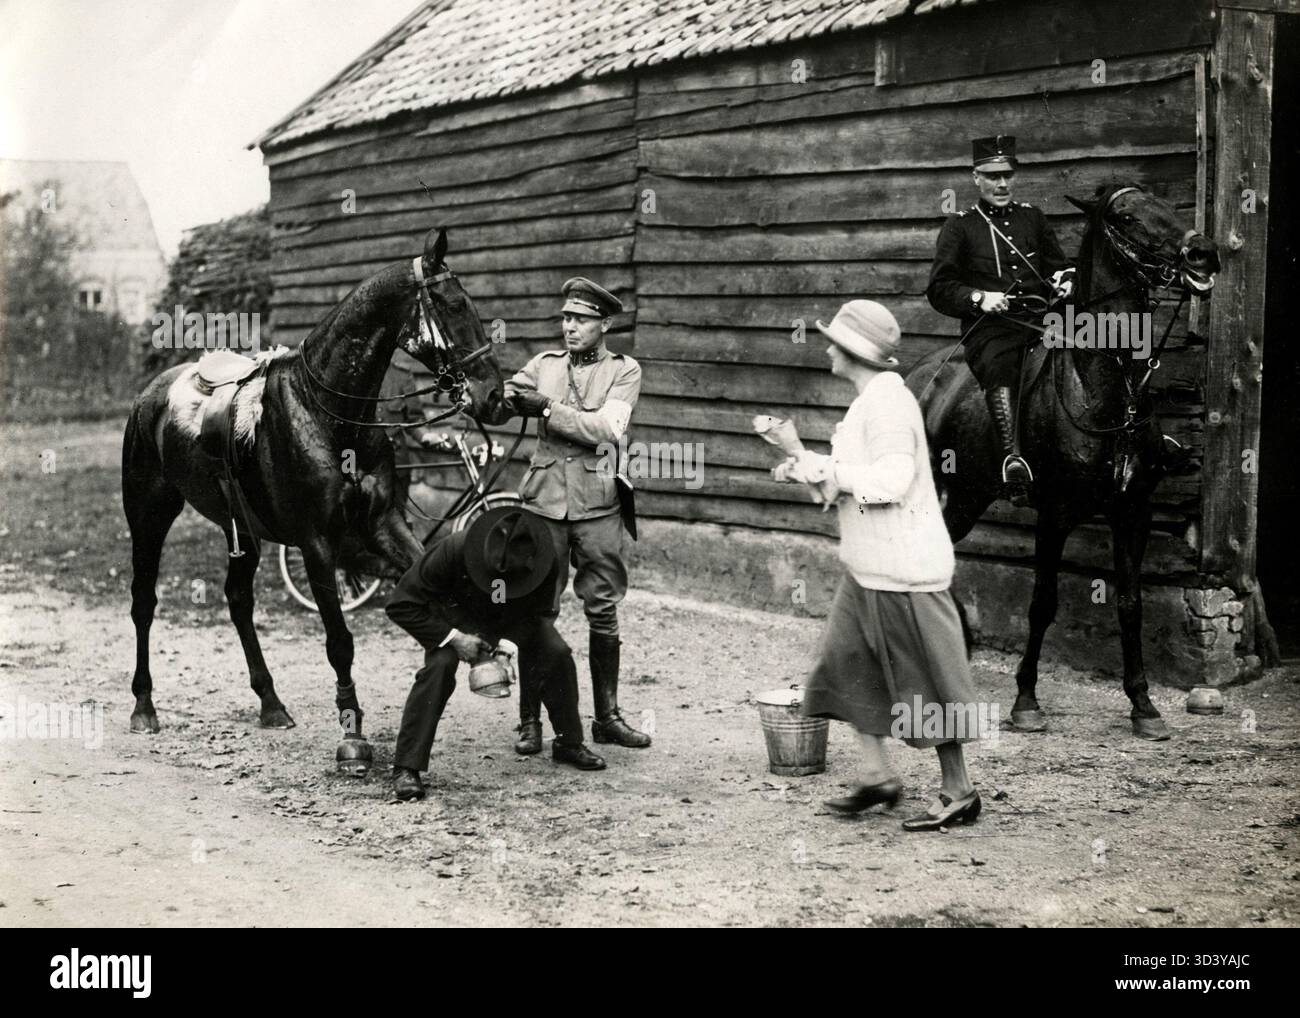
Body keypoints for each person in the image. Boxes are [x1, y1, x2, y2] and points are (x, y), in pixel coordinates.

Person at [774, 300, 984, 832]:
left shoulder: (888, 403)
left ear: (852, 351)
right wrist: (799, 460)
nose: (824, 347)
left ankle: (960, 791)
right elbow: (846, 483)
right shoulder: (867, 401)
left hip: (905, 571)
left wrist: (822, 465)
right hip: (867, 568)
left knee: (927, 685)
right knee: (846, 666)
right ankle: (876, 777)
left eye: (833, 340)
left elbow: (889, 480)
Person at [502, 277, 651, 755]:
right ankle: (530, 722)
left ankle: (606, 717)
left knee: (603, 610)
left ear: (604, 324)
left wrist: (545, 408)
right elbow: (502, 399)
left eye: (582, 319)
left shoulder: (625, 372)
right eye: (566, 318)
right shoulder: (542, 366)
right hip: (544, 503)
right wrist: (480, 395)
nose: (570, 327)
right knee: (536, 611)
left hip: (598, 505)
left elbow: (606, 429)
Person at [385, 506, 606, 802]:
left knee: (557, 652)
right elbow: (401, 604)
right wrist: (454, 638)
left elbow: (539, 612)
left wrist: (507, 647)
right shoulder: (452, 549)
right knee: (439, 667)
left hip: (511, 622)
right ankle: (406, 767)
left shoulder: (545, 560)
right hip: (455, 622)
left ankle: (568, 742)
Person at [926, 135, 1075, 505]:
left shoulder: (1033, 218)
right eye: (992, 176)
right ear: (976, 177)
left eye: (1007, 174)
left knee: (1100, 343)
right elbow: (940, 288)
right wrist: (978, 297)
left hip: (1043, 322)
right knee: (999, 363)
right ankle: (1012, 457)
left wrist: (1065, 279)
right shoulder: (960, 226)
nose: (1002, 184)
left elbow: (1059, 266)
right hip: (991, 328)